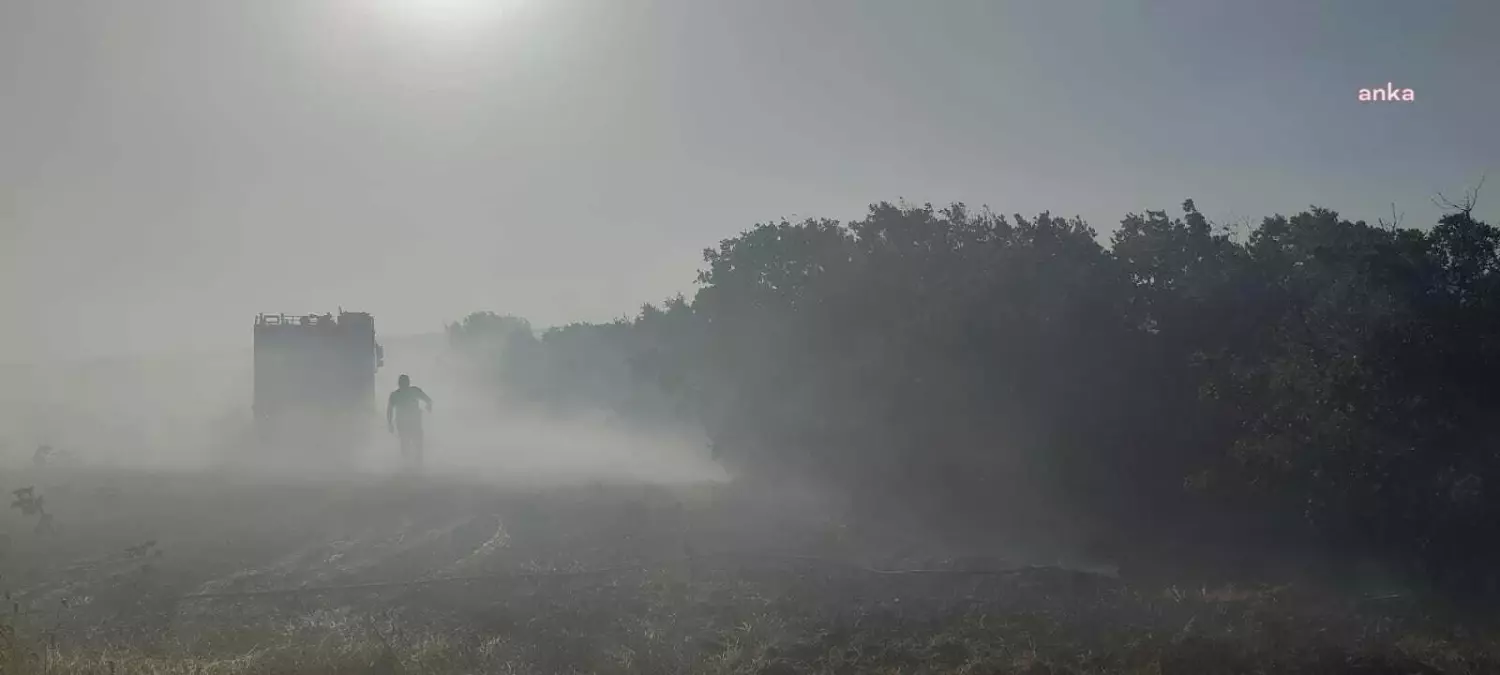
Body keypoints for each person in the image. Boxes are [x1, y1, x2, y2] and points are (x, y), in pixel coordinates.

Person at [387, 374, 433, 468]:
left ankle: (415, 462)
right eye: (402, 383)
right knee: (407, 442)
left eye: (404, 383)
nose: (403, 385)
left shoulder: (409, 392)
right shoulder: (397, 394)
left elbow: (428, 400)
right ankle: (409, 463)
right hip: (405, 422)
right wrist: (390, 423)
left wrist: (429, 405)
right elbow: (389, 410)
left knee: (415, 441)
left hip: (412, 421)